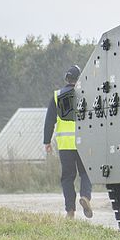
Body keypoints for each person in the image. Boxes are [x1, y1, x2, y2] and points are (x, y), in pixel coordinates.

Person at [44, 65, 92, 219]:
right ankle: (85, 197)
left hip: (65, 145)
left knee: (67, 177)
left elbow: (49, 121)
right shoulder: (85, 95)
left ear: (66, 78)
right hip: (83, 143)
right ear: (79, 79)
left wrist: (47, 141)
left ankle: (70, 211)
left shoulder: (57, 96)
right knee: (86, 173)